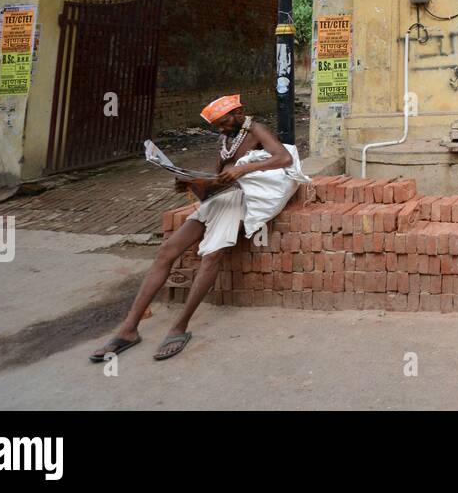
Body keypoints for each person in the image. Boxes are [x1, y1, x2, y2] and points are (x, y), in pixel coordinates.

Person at [90, 94, 305, 362]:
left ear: (238, 113)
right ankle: (129, 328)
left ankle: (179, 327)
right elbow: (216, 180)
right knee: (167, 251)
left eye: (223, 122)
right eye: (216, 124)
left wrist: (244, 170)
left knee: (212, 255)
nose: (220, 128)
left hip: (243, 200)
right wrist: (190, 183)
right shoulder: (225, 139)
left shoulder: (256, 129)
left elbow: (283, 159)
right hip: (221, 198)